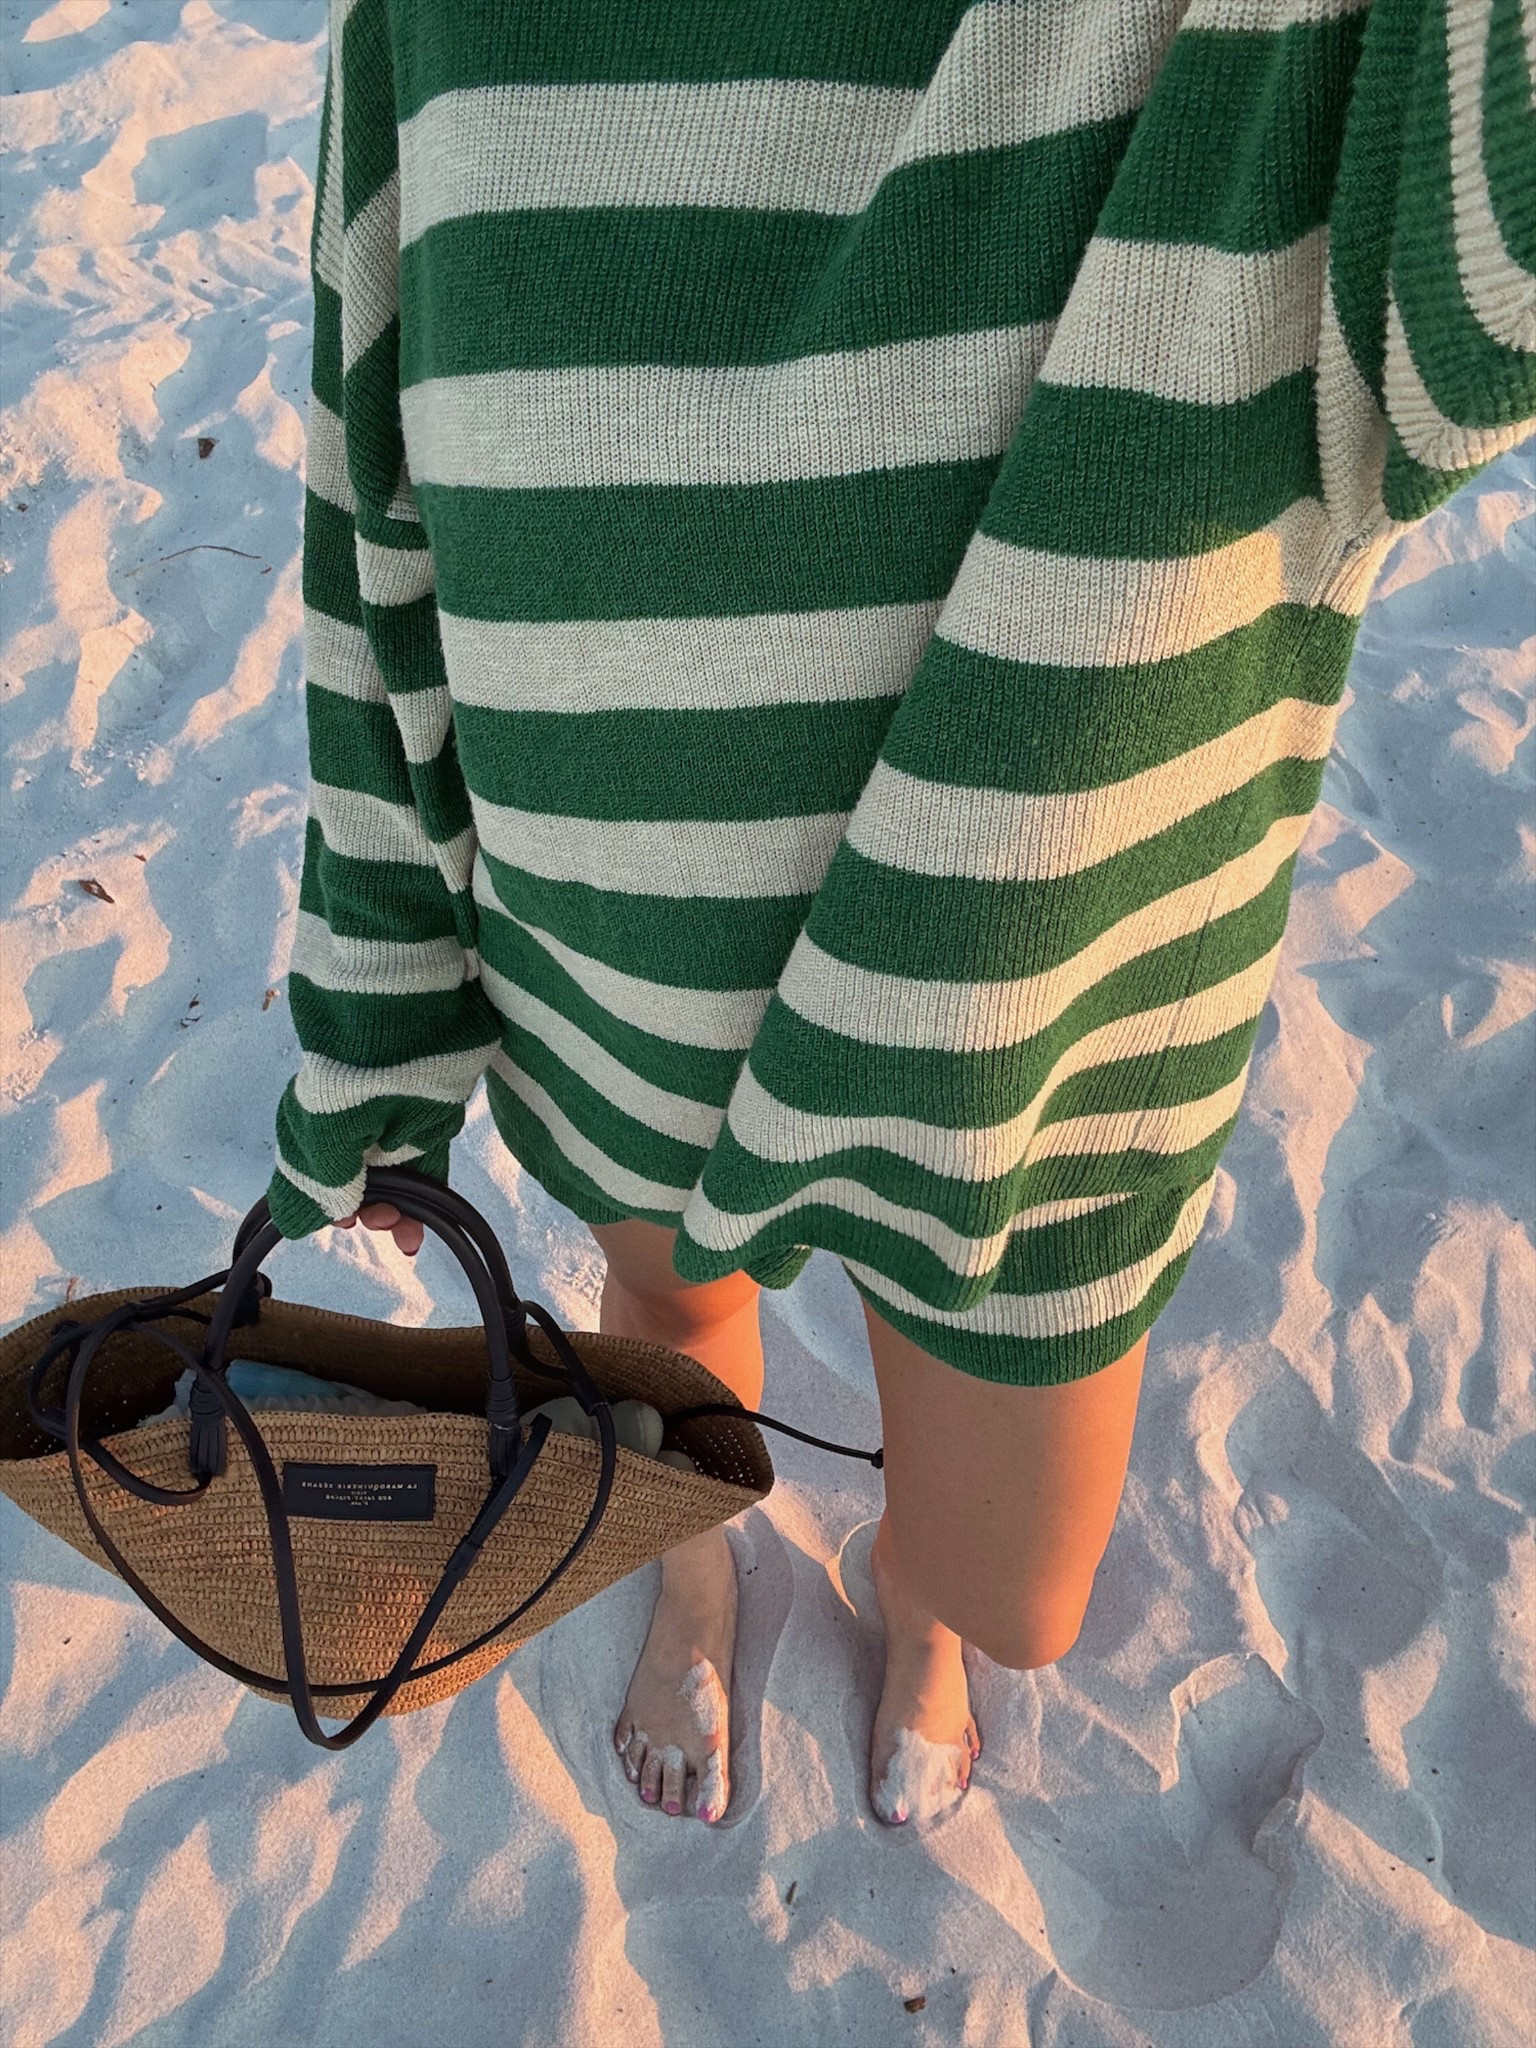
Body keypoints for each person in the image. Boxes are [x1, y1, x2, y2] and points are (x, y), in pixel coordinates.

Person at [271, 0, 1535, 1826]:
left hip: (1022, 1045)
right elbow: (368, 499)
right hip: (606, 965)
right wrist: (375, 1017)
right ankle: (698, 1572)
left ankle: (914, 1597)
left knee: (1016, 1592)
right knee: (668, 1316)